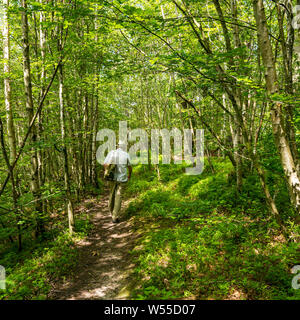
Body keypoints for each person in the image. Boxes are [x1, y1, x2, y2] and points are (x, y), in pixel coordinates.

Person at [103, 141, 132, 223]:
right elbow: (129, 167)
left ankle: (111, 212)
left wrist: (107, 170)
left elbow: (104, 164)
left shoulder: (112, 153)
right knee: (118, 197)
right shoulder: (126, 154)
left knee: (111, 194)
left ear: (118, 146)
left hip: (112, 178)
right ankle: (115, 217)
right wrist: (130, 175)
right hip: (122, 179)